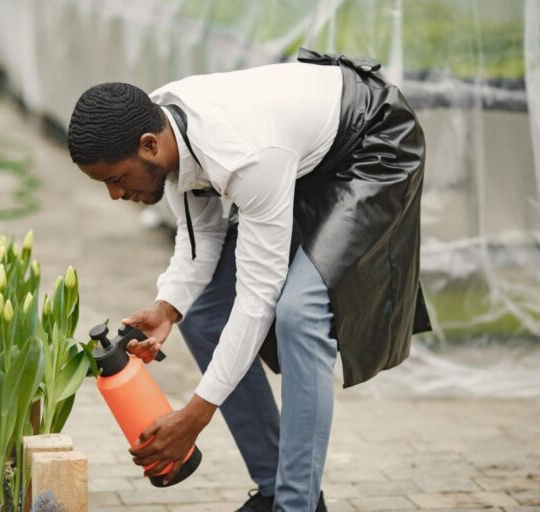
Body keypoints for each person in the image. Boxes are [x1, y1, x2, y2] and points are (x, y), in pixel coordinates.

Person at [66, 48, 431, 512]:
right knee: (201, 314)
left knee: (298, 314)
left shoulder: (243, 155)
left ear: (149, 145)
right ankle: (275, 485)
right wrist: (168, 306)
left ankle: (296, 506)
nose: (115, 195)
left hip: (373, 144)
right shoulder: (164, 124)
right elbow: (202, 234)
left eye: (116, 178)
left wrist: (195, 416)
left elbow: (258, 295)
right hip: (302, 154)